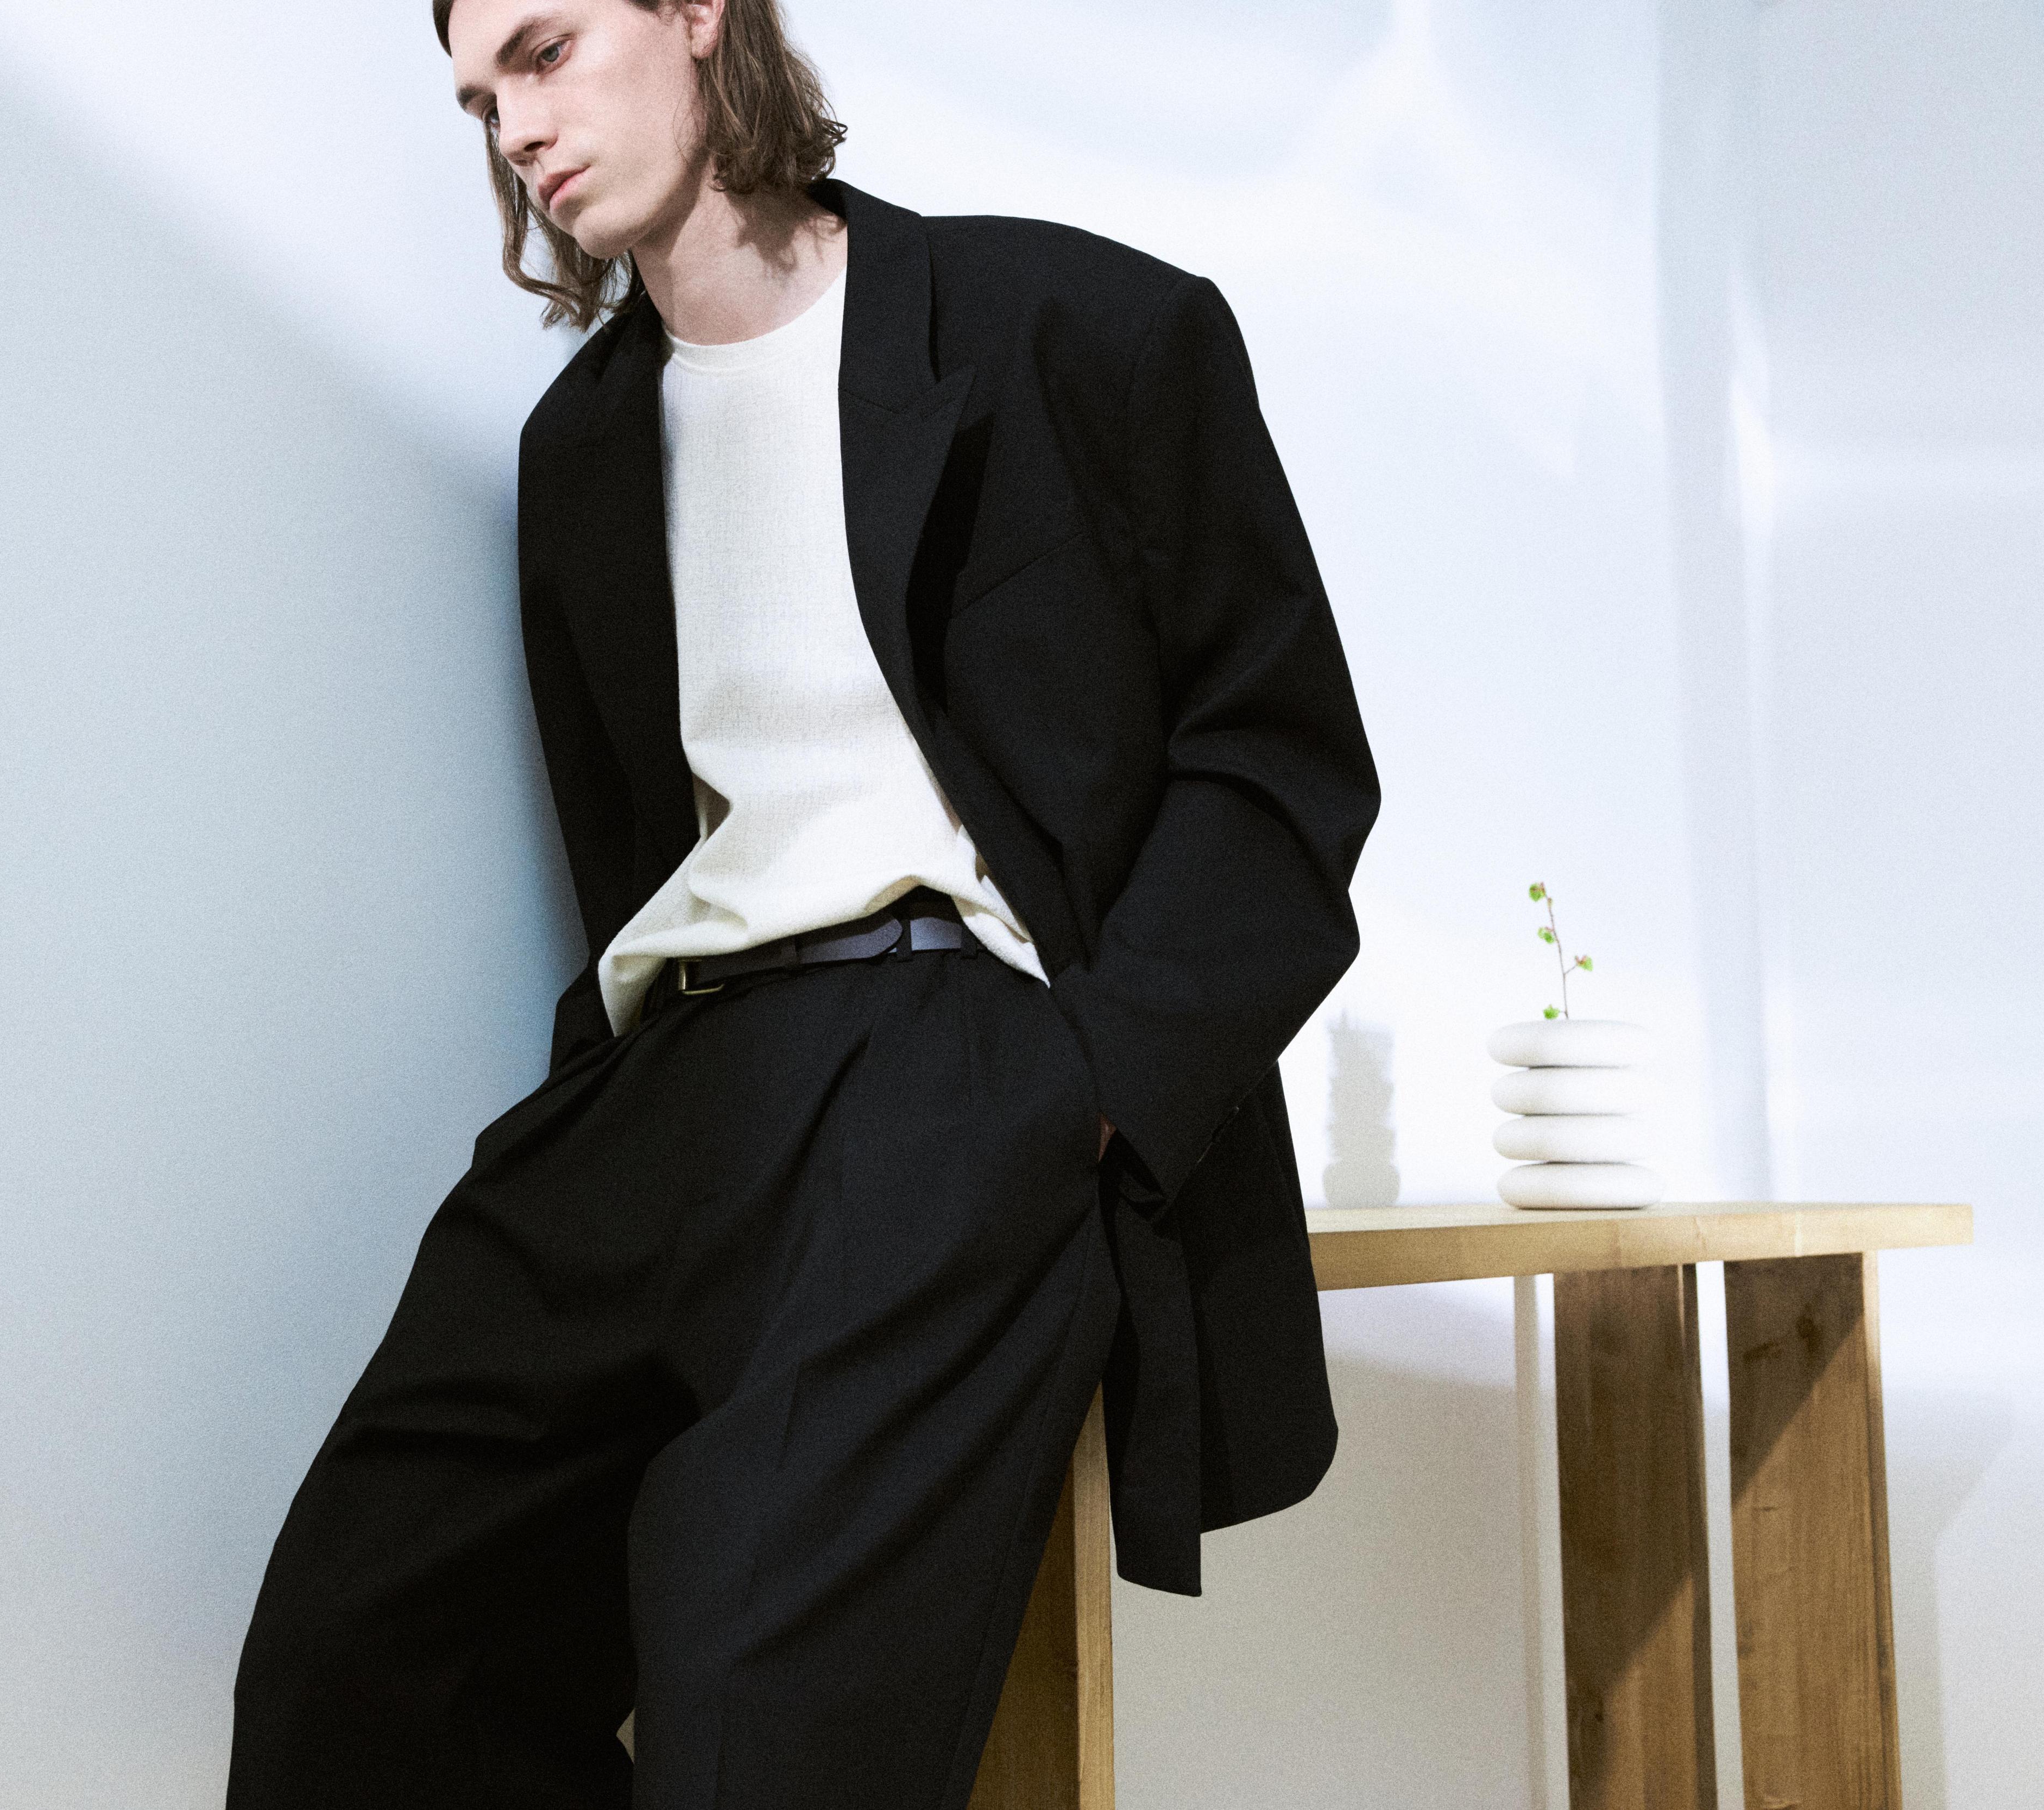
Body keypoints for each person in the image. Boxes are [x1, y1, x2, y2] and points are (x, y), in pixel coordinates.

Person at [228, 1, 1379, 1803]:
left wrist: (1085, 1085)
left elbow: (1278, 759)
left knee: (755, 1723)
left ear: (698, 12)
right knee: (354, 1669)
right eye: (479, 99)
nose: (515, 129)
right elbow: (632, 842)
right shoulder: (583, 447)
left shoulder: (1072, 328)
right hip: (664, 1088)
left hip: (948, 1074)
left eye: (546, 51)